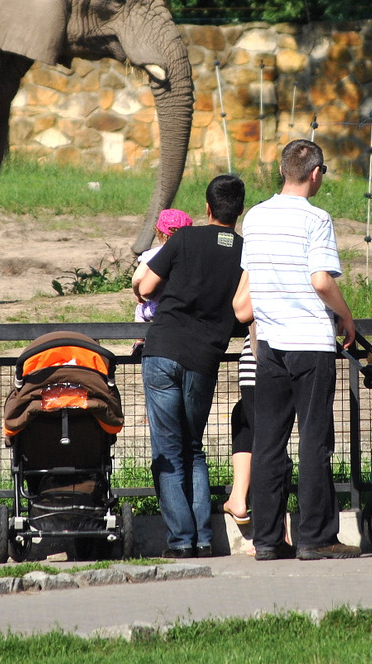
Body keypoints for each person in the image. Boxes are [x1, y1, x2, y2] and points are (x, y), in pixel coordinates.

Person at [235, 139, 360, 561]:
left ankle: (267, 539)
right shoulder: (316, 218)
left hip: (267, 343)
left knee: (269, 442)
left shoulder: (254, 217)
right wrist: (346, 316)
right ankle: (315, 536)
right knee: (314, 441)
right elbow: (321, 280)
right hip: (310, 341)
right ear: (315, 173)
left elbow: (249, 284)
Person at [134, 176, 246, 558]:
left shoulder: (183, 239)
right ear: (240, 211)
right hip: (204, 359)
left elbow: (147, 287)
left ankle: (181, 541)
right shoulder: (245, 252)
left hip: (163, 350)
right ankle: (201, 538)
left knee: (167, 449)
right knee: (193, 449)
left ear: (208, 208)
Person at [130, 209, 193, 355]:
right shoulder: (190, 256)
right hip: (184, 309)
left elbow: (137, 278)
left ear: (159, 232)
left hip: (156, 309)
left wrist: (138, 295)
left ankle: (140, 342)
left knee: (140, 310)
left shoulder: (153, 254)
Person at [223, 321, 256, 529]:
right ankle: (238, 497)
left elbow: (241, 310)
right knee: (242, 415)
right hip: (306, 352)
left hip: (260, 357)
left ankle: (274, 530)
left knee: (271, 447)